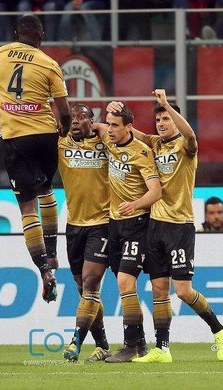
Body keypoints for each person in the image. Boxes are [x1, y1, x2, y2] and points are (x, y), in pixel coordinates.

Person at [0, 84, 111, 361]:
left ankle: (75, 343)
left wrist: (105, 130)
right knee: (84, 289)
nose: (72, 122)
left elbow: (128, 137)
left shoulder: (105, 143)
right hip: (74, 225)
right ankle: (104, 344)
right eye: (69, 118)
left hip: (104, 222)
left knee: (91, 282)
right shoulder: (61, 143)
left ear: (91, 120)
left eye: (79, 117)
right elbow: (15, 130)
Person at [110, 89, 223, 364]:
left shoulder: (186, 147)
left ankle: (219, 330)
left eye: (166, 118)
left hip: (180, 226)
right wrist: (115, 108)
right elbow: (129, 132)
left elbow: (191, 135)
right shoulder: (155, 144)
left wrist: (167, 104)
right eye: (159, 119)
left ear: (175, 120)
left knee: (183, 291)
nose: (162, 123)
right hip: (155, 225)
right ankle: (162, 349)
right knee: (160, 289)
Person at [0, 14, 71, 303]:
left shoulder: (0, 55)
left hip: (15, 138)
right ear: (42, 36)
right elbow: (64, 110)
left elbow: (0, 90)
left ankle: (43, 269)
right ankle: (52, 253)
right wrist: (65, 129)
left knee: (27, 208)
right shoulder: (49, 64)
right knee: (47, 191)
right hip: (45, 135)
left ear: (15, 33)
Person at [91, 104, 162, 363]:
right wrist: (111, 104)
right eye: (108, 124)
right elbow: (94, 126)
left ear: (129, 127)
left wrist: (136, 203)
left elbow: (156, 190)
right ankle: (141, 343)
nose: (109, 129)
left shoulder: (141, 152)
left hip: (137, 224)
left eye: (115, 125)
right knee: (125, 286)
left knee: (124, 282)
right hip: (114, 225)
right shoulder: (109, 139)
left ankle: (130, 346)